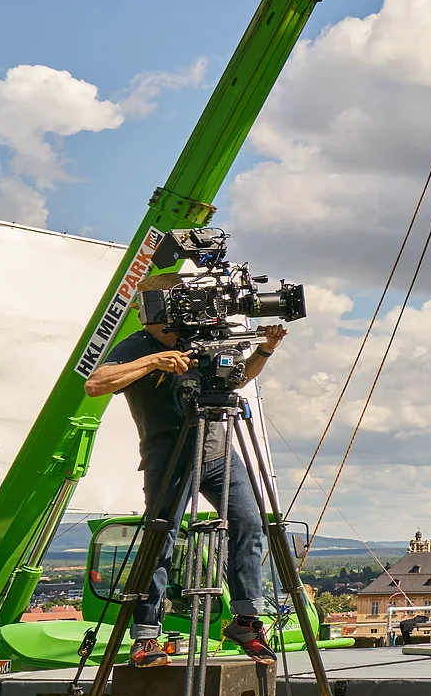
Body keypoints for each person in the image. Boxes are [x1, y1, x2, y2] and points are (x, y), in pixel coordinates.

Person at [84, 276, 286, 668]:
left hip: (217, 453)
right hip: (168, 457)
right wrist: (154, 361)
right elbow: (95, 384)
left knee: (249, 525)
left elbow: (237, 377)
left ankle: (246, 620)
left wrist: (263, 351)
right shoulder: (136, 346)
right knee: (161, 541)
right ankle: (145, 638)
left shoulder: (198, 338)